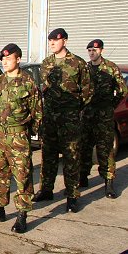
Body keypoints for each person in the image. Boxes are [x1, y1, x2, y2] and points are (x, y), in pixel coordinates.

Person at [0, 43, 42, 233]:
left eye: (8, 58)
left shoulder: (27, 82)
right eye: (3, 59)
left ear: (18, 59)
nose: (4, 62)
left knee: (22, 175)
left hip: (18, 135)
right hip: (0, 135)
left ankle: (22, 214)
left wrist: (28, 132)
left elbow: (37, 111)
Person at [34, 28, 93, 213]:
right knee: (48, 156)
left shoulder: (77, 63)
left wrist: (74, 109)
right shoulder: (46, 63)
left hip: (70, 119)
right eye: (50, 40)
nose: (51, 43)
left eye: (55, 40)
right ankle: (46, 189)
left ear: (65, 41)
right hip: (50, 118)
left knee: (71, 157)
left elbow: (88, 91)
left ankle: (72, 195)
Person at [79, 39, 127, 199]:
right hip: (87, 117)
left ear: (101, 51)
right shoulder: (85, 68)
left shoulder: (111, 68)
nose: (92, 53)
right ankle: (83, 178)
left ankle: (108, 184)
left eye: (95, 50)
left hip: (104, 118)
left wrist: (110, 105)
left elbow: (122, 90)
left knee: (105, 151)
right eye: (90, 50)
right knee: (84, 149)